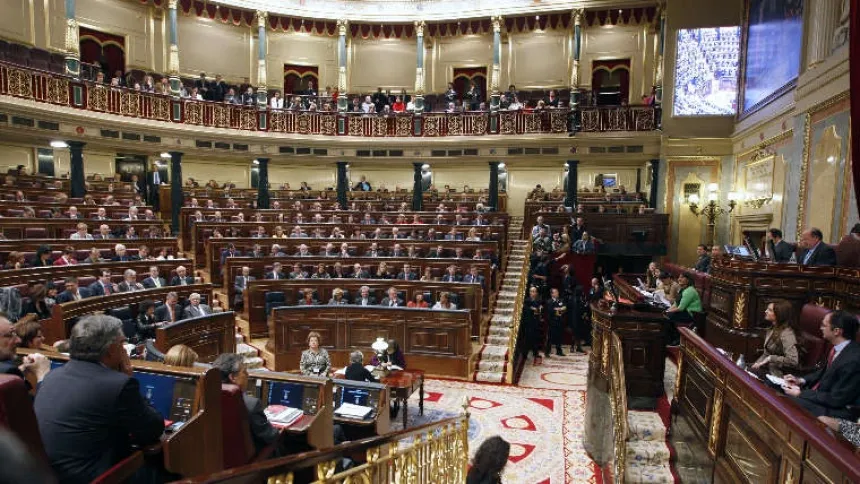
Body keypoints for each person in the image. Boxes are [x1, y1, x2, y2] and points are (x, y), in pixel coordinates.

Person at [34, 315, 165, 484]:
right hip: (95, 478)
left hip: (52, 476)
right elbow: (153, 429)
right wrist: (127, 377)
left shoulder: (52, 376)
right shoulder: (117, 384)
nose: (124, 350)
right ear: (110, 349)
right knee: (164, 466)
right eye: (122, 343)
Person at [781, 310, 860, 418]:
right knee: (775, 386)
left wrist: (801, 394)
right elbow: (824, 372)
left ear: (836, 331)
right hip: (819, 396)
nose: (820, 328)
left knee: (785, 400)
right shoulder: (838, 349)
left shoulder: (853, 360)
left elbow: (837, 398)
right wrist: (800, 380)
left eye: (824, 325)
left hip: (837, 409)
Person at [212, 353, 282, 453]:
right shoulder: (251, 404)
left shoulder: (208, 400)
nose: (248, 375)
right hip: (252, 460)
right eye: (244, 372)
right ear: (233, 377)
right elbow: (270, 436)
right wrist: (280, 429)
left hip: (217, 457)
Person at [750, 301, 801, 377]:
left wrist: (771, 358)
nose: (766, 311)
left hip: (778, 374)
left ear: (779, 314)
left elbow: (793, 360)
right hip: (767, 368)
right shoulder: (773, 328)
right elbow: (766, 353)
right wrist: (757, 364)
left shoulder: (787, 334)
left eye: (770, 310)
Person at [665, 273, 703, 345]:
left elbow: (680, 308)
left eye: (682, 277)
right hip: (684, 312)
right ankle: (670, 339)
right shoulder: (682, 289)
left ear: (688, 280)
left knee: (669, 317)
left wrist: (668, 312)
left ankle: (676, 340)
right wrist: (667, 310)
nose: (679, 279)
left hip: (692, 315)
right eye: (679, 277)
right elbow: (676, 303)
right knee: (666, 316)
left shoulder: (690, 291)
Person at [521, 286, 543, 364]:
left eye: (534, 291)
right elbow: (525, 309)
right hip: (528, 322)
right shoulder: (526, 301)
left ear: (536, 293)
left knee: (535, 337)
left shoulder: (538, 301)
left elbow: (540, 309)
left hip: (536, 322)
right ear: (529, 292)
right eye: (531, 291)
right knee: (527, 339)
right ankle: (524, 354)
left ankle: (535, 352)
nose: (533, 293)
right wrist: (531, 309)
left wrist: (540, 309)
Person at [545, 287, 567, 357]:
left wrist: (559, 309)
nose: (557, 293)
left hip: (560, 321)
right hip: (552, 322)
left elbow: (564, 307)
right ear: (552, 294)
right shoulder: (549, 301)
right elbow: (550, 310)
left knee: (559, 337)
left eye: (557, 292)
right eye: (556, 292)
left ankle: (559, 351)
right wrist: (559, 309)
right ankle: (547, 352)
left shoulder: (560, 300)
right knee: (550, 338)